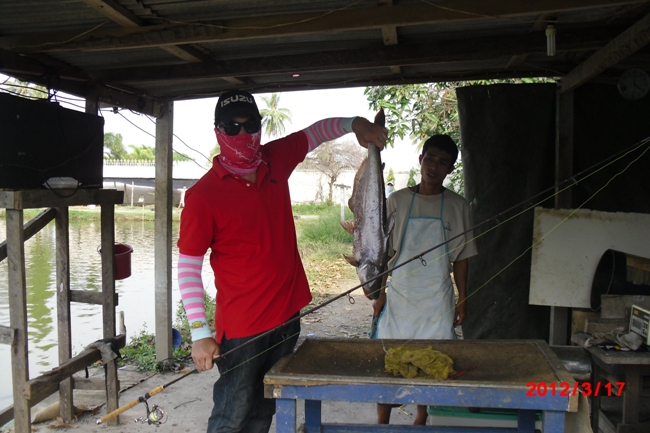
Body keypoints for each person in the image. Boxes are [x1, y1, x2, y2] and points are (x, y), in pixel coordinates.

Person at [176, 89, 387, 433]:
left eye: (251, 125)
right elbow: (187, 266)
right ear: (218, 131)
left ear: (261, 126)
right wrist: (200, 333)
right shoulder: (203, 196)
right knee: (233, 412)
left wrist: (356, 124)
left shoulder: (274, 159)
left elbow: (315, 133)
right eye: (232, 127)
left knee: (265, 408)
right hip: (242, 330)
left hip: (287, 316)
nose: (243, 135)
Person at [371, 134, 477, 425]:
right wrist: (380, 293)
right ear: (421, 160)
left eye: (443, 162)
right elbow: (383, 254)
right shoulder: (397, 201)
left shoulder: (458, 206)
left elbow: (462, 258)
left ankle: (421, 419)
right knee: (389, 359)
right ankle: (383, 423)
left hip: (437, 299)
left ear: (450, 169)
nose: (434, 166)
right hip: (401, 294)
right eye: (430, 158)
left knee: (434, 359)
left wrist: (462, 298)